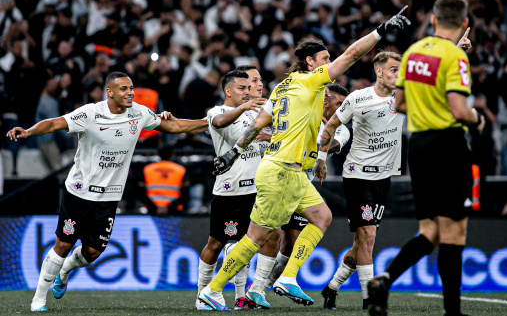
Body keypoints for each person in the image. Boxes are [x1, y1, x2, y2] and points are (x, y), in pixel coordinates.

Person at [197, 8, 410, 311]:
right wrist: (379, 32)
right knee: (256, 238)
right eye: (324, 59)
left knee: (322, 218)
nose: (328, 64)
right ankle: (213, 288)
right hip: (282, 170)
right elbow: (350, 55)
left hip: (293, 172)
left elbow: (258, 124)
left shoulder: (282, 87)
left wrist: (233, 152)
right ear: (310, 62)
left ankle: (288, 277)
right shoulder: (310, 81)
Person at [6, 71, 209, 312]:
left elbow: (174, 125)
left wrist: (208, 123)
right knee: (63, 243)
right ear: (109, 92)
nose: (130, 92)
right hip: (79, 193)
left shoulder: (139, 114)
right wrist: (29, 131)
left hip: (109, 196)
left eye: (131, 88)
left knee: (92, 252)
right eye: (123, 89)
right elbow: (54, 123)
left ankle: (66, 269)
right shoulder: (90, 113)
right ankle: (38, 298)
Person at [367, 0, 484, 316]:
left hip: (417, 148)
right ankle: (452, 312)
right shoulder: (454, 57)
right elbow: (460, 110)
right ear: (463, 24)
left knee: (430, 230)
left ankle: (385, 279)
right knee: (454, 232)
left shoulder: (414, 52)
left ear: (433, 20)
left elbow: (400, 104)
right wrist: (480, 118)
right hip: (448, 145)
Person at [315, 51, 405, 310]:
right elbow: (331, 125)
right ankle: (370, 298)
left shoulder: (401, 97)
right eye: (393, 71)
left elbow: (431, 78)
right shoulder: (357, 98)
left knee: (361, 245)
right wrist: (321, 158)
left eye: (400, 71)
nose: (398, 76)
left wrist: (456, 49)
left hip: (384, 177)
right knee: (367, 237)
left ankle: (331, 288)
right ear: (379, 72)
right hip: (358, 175)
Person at [255, 84, 351, 308]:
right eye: (339, 104)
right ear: (326, 104)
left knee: (290, 244)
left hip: (301, 186)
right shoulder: (303, 111)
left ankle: (262, 288)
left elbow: (331, 146)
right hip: (277, 179)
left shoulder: (342, 128)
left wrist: (323, 138)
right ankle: (244, 289)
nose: (343, 109)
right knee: (266, 237)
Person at [196, 70, 267, 311]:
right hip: (229, 191)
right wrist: (245, 109)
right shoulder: (217, 112)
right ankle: (201, 295)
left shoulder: (254, 114)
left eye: (249, 88)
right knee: (215, 244)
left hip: (255, 190)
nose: (247, 92)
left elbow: (263, 136)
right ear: (228, 91)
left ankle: (239, 297)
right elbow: (219, 123)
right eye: (241, 88)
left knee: (245, 245)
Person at [142, 145, 189, 214]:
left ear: (158, 154)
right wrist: (169, 207)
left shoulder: (147, 169)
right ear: (172, 155)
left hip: (152, 209)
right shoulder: (181, 170)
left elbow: (141, 192)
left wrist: (155, 207)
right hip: (174, 210)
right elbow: (185, 194)